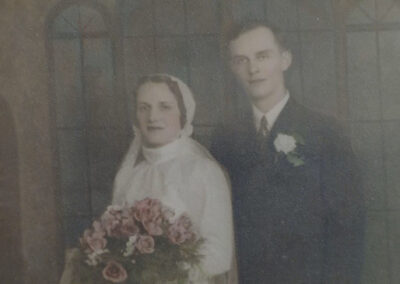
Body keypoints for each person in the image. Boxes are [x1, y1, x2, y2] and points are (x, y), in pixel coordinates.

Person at [210, 20, 365, 283]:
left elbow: (347, 226)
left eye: (263, 56)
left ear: (285, 59)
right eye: (241, 60)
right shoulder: (225, 137)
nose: (253, 69)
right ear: (233, 68)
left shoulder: (326, 132)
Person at [112, 74, 234, 284]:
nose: (153, 117)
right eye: (144, 108)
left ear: (183, 115)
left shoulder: (203, 171)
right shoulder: (129, 175)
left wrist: (165, 275)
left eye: (165, 107)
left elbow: (220, 254)